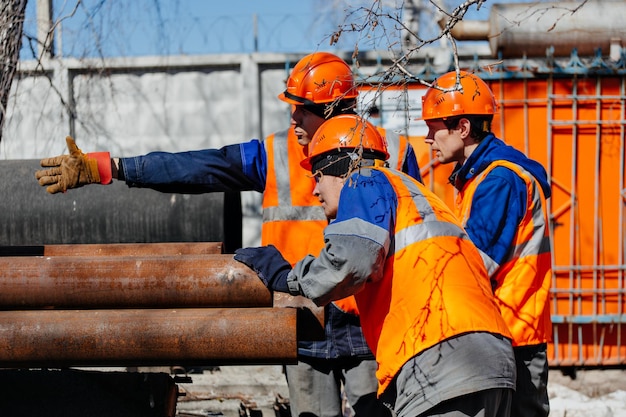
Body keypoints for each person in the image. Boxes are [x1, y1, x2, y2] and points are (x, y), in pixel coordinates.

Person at [34, 52, 422, 417]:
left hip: (372, 321)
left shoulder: (392, 150)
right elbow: (200, 166)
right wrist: (112, 167)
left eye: (301, 108)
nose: (293, 118)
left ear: (333, 110)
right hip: (305, 320)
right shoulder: (277, 153)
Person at [233, 113, 517, 417]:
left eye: (318, 177)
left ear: (341, 171)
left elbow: (352, 263)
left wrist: (287, 277)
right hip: (489, 358)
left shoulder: (363, 180)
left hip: (440, 359)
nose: (315, 192)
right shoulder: (419, 196)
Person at [420, 70, 552, 417]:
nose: (427, 137)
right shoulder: (481, 178)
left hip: (513, 334)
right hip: (506, 331)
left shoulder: (499, 180)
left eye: (434, 127)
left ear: (462, 128)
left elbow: (475, 265)